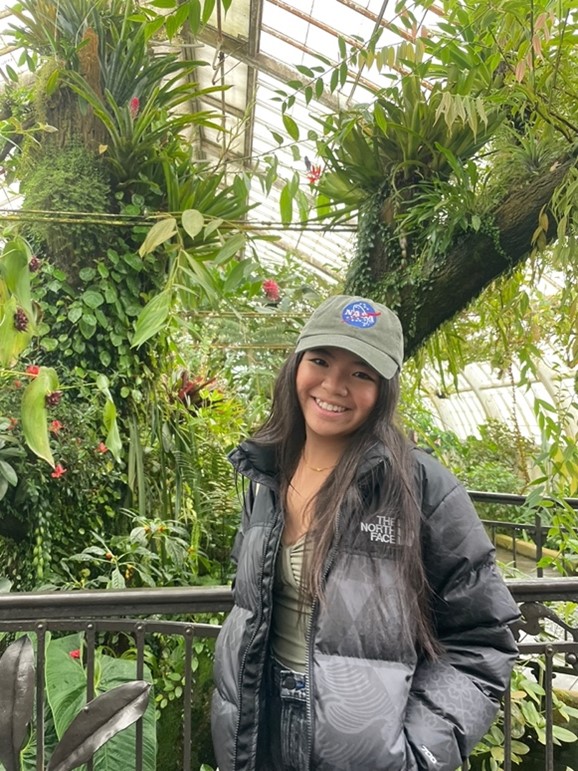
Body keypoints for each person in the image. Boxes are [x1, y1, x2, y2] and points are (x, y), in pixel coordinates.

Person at [211, 295, 520, 770]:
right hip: (259, 722)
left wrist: (419, 749)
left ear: (384, 390)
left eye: (361, 374)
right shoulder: (266, 474)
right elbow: (251, 602)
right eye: (320, 360)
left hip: (362, 749)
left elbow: (484, 635)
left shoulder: (420, 487)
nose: (333, 386)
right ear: (296, 365)